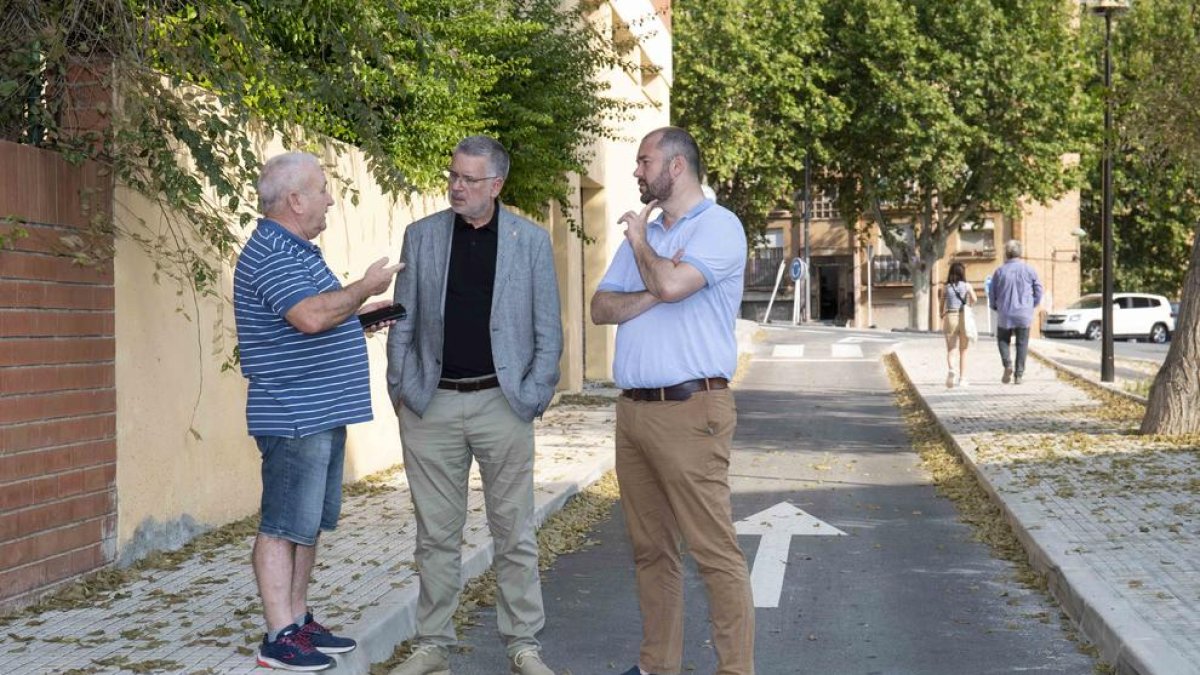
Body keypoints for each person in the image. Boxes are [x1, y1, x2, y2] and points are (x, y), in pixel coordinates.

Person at [384, 135, 562, 675]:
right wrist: (403, 389)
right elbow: (404, 320)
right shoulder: (423, 236)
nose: (456, 186)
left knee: (514, 531)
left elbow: (547, 330)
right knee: (435, 535)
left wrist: (532, 395)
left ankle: (523, 644)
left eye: (468, 179)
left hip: (502, 405)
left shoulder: (530, 242)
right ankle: (433, 642)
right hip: (432, 406)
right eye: (453, 176)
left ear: (497, 185)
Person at [591, 127, 755, 675]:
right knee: (651, 552)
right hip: (633, 412)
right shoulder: (656, 230)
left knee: (713, 552)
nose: (637, 171)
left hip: (691, 412)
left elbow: (672, 287)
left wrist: (642, 246)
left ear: (676, 167)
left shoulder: (720, 227)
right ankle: (657, 667)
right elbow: (601, 308)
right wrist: (655, 280)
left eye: (644, 161)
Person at [233, 152, 402, 671]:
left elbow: (321, 312)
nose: (331, 199)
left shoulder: (299, 249)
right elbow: (309, 316)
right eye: (324, 190)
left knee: (308, 524)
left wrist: (360, 312)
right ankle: (277, 636)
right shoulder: (270, 251)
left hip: (320, 412)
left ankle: (300, 622)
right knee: (283, 523)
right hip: (293, 414)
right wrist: (363, 289)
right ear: (295, 199)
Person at [989, 239, 1043, 385]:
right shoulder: (1029, 270)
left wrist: (994, 306)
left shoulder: (999, 271)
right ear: (1020, 253)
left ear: (1006, 253)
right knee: (1022, 343)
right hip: (1024, 312)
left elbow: (992, 292)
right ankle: (1019, 375)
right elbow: (1038, 290)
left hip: (1005, 312)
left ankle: (1007, 365)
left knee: (1002, 340)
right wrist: (1033, 304)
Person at [941, 261, 977, 388]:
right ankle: (962, 379)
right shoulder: (967, 286)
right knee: (963, 351)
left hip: (950, 316)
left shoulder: (946, 288)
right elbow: (975, 299)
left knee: (951, 350)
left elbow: (941, 305)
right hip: (963, 318)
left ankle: (951, 369)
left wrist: (942, 315)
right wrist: (969, 306)